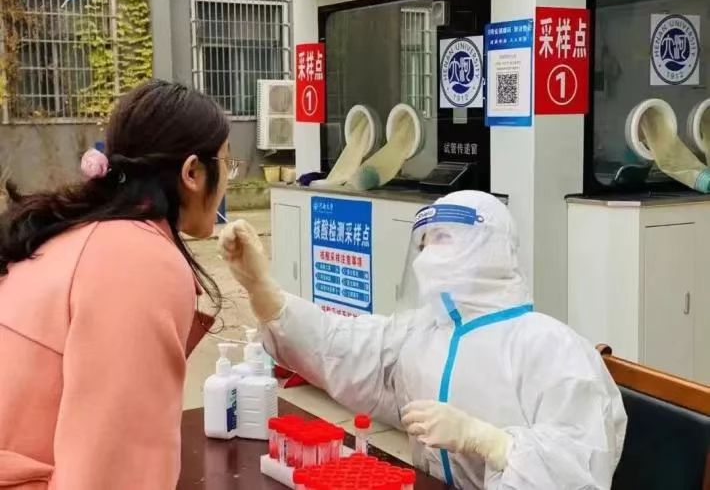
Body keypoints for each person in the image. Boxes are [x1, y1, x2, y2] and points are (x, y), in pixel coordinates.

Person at [219, 190, 627, 489]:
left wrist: (491, 442)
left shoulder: (551, 347)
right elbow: (339, 346)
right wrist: (262, 290)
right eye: (425, 242)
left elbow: (581, 465)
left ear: (491, 249)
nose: (429, 256)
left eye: (444, 239)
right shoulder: (423, 332)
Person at [0, 80, 239, 489]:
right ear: (193, 172)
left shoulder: (81, 232)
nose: (229, 180)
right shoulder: (140, 261)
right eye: (228, 165)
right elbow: (114, 472)